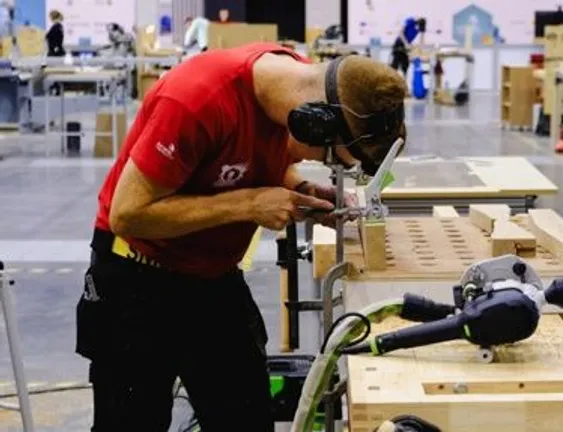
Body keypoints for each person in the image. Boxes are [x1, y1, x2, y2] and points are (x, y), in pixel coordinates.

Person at [76, 43, 407, 431]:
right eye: (328, 157)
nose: (319, 164)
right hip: (137, 281)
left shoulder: (297, 88)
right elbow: (128, 214)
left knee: (245, 417)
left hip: (212, 279)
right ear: (313, 120)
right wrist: (250, 204)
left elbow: (247, 158)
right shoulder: (196, 100)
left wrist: (302, 189)